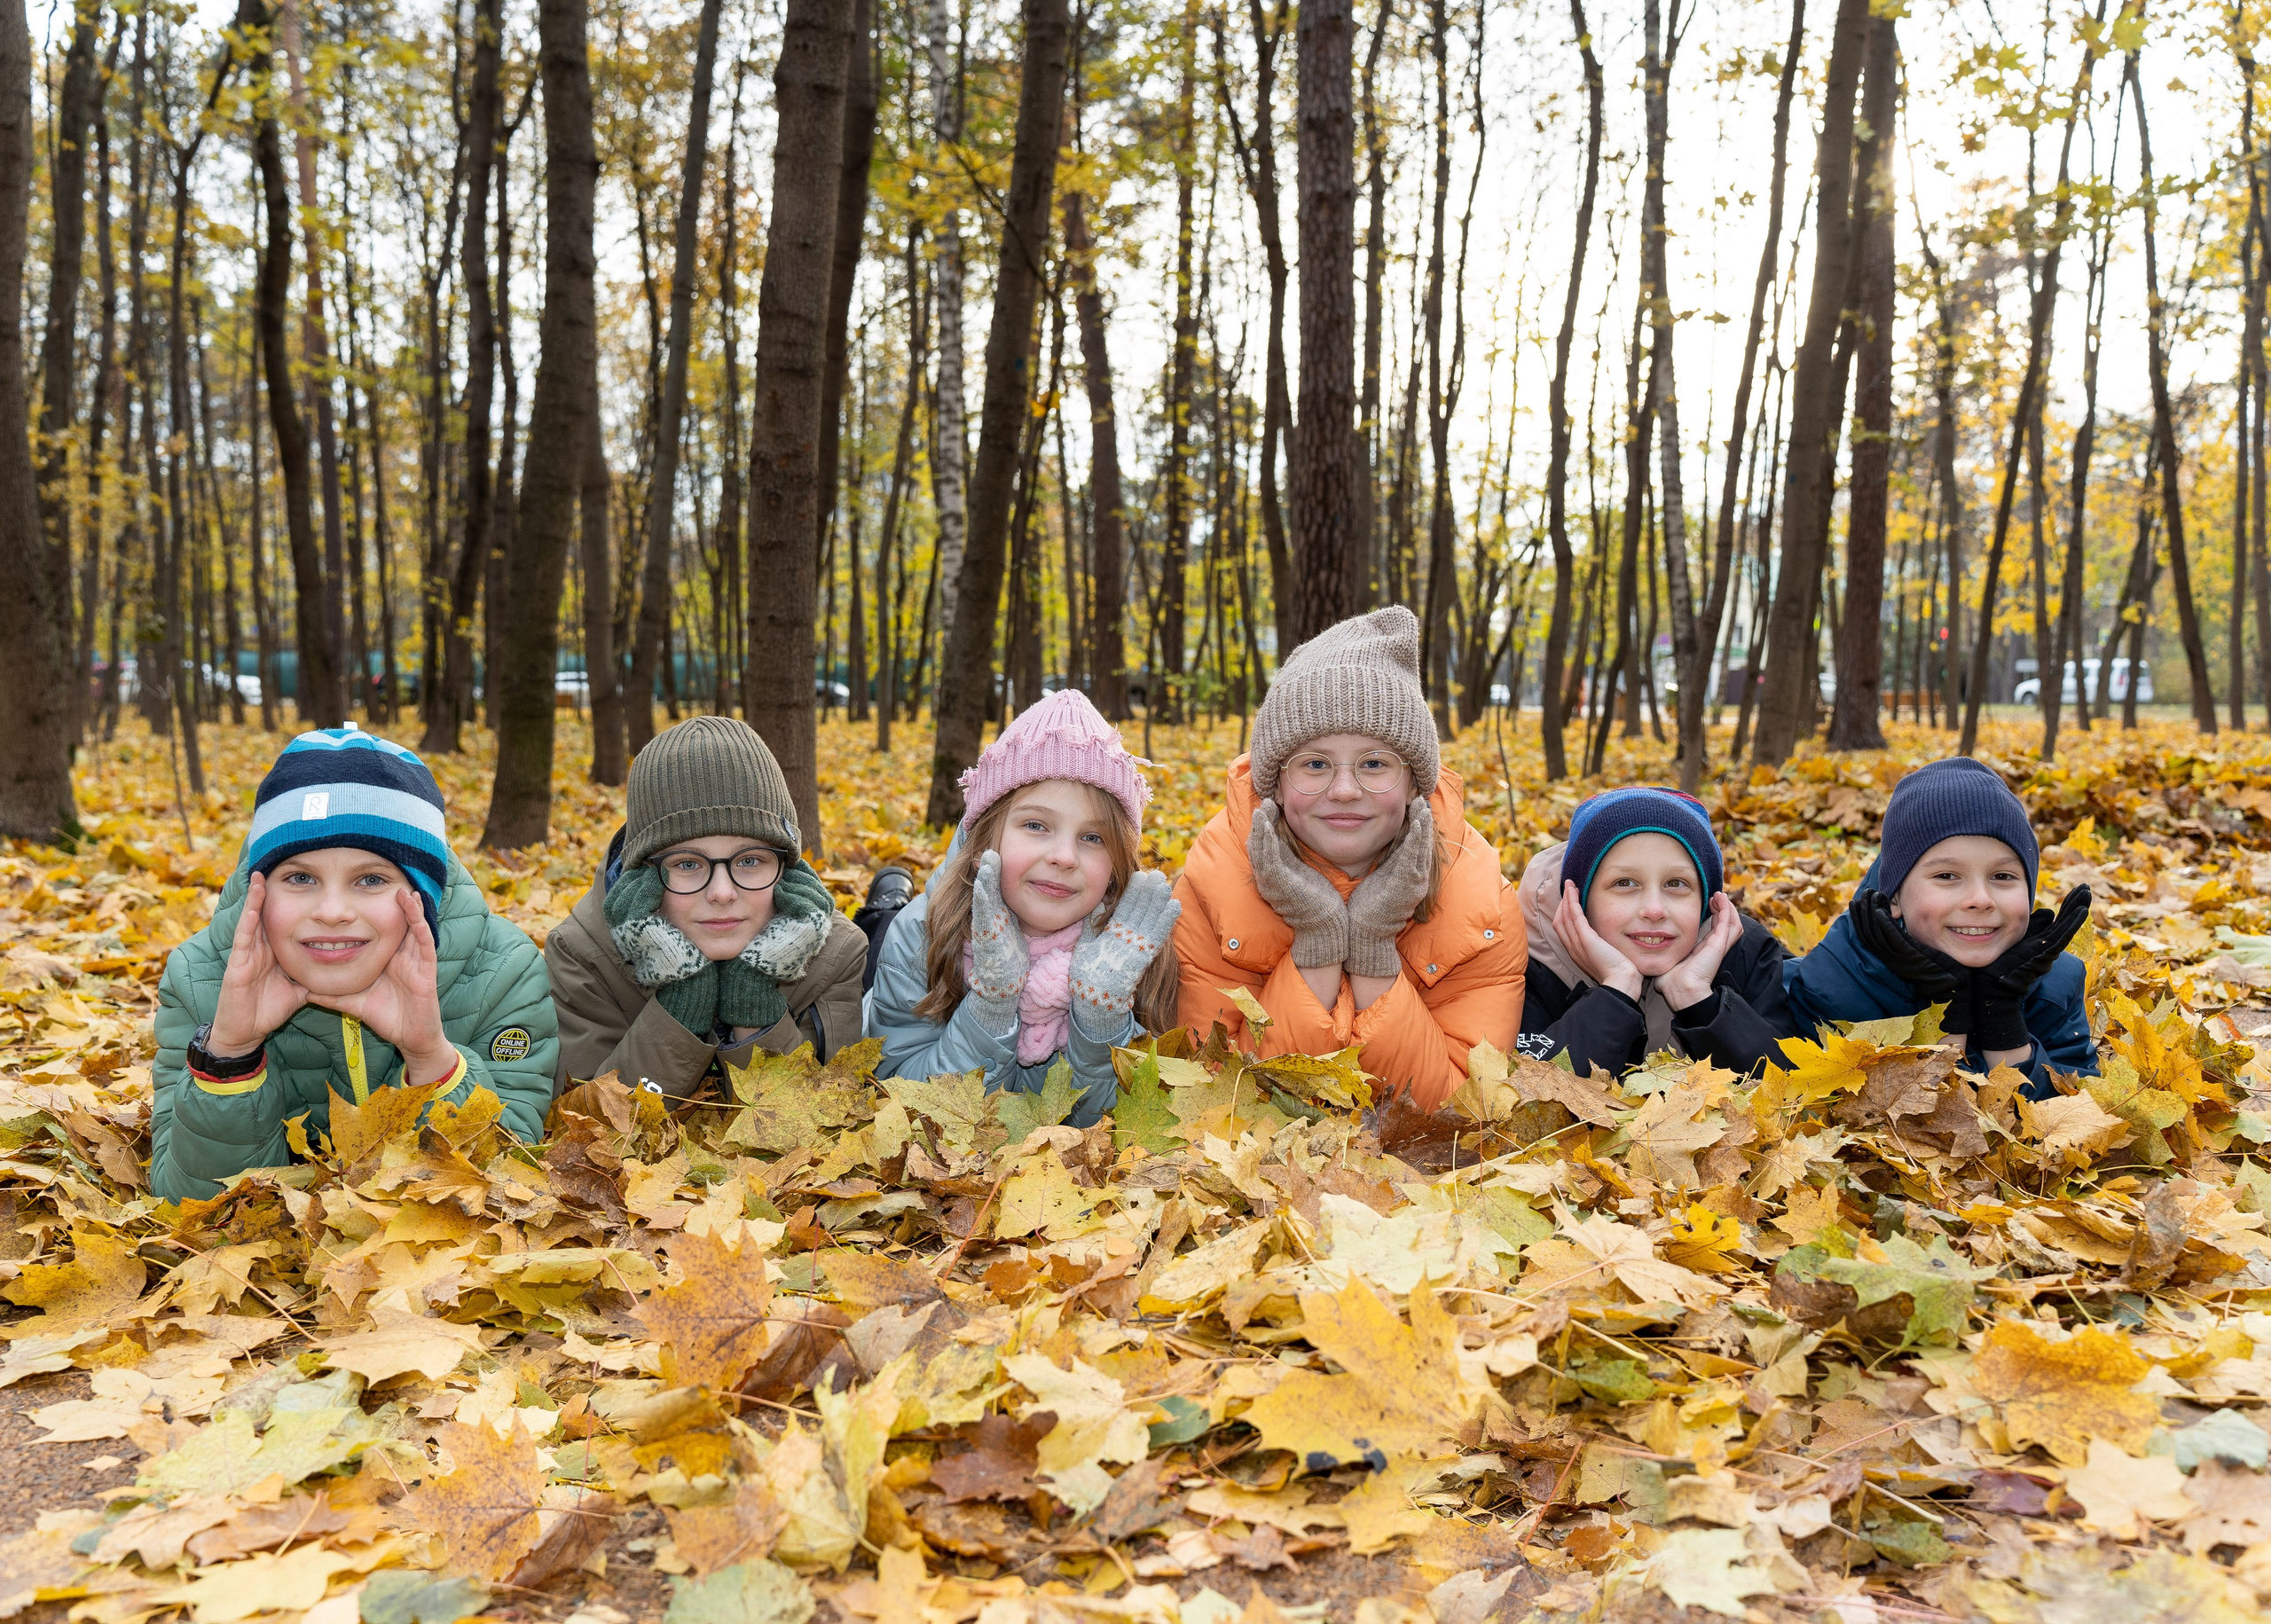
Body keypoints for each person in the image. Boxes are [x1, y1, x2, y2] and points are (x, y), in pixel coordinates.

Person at [151, 729, 558, 1201]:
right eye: (300, 877)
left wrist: (431, 1059)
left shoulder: (502, 972)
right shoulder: (200, 977)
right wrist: (229, 1058)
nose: (333, 911)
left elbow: (506, 1189)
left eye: (370, 879)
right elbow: (191, 1208)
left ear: (422, 894)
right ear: (259, 890)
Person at [1173, 608, 1522, 1111]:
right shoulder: (1213, 884)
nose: (1343, 791)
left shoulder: (1480, 897)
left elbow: (1460, 1112)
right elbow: (1213, 1101)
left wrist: (1373, 951)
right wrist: (1317, 943)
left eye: (1375, 764)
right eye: (1315, 764)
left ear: (1413, 784)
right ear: (1274, 781)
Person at [866, 689, 1180, 1127]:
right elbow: (899, 1103)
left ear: (1118, 863)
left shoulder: (1133, 945)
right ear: (988, 835)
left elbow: (1130, 1126)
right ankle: (886, 901)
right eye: (1036, 825)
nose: (1064, 857)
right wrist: (991, 1006)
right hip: (916, 943)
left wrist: (1100, 1022)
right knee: (877, 932)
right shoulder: (919, 933)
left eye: (1094, 838)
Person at [546, 715, 869, 1095]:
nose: (721, 892)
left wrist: (755, 1011)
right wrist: (679, 1008)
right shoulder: (584, 953)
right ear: (643, 876)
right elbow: (589, 1128)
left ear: (785, 867)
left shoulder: (835, 952)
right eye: (687, 864)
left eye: (749, 861)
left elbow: (820, 1125)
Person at [1783, 757, 2095, 1096]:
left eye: (2002, 876)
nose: (1980, 899)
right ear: (1895, 897)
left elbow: (2071, 1122)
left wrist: (2003, 1019)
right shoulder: (1837, 983)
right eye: (1947, 876)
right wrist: (1945, 1016)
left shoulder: (2056, 982)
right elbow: (1911, 1128)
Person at [1516, 787, 1798, 1077]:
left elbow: (1790, 1093)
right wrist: (1615, 991)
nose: (1654, 910)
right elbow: (1531, 1106)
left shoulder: (1746, 952)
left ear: (1704, 901)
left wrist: (1699, 999)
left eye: (1676, 884)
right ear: (1581, 899)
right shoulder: (1527, 966)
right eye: (1625, 883)